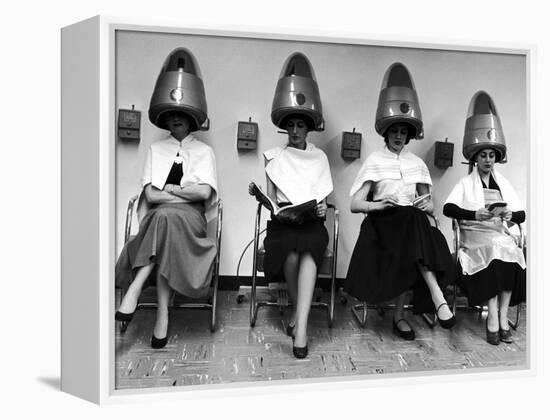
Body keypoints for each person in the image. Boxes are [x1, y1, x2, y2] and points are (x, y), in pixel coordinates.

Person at [345, 63, 456, 340]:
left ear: (409, 134)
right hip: (382, 225)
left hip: (411, 225)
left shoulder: (417, 164)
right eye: (394, 131)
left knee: (415, 219)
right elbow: (354, 205)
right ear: (386, 132)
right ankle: (434, 297)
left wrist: (424, 205)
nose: (398, 136)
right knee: (412, 225)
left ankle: (406, 312)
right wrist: (378, 205)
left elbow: (430, 207)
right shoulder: (374, 161)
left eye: (403, 132)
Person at [115, 48, 218, 349]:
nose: (176, 118)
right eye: (171, 114)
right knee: (164, 219)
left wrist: (170, 192)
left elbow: (204, 193)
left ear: (191, 117)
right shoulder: (156, 150)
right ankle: (162, 315)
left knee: (164, 216)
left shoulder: (204, 152)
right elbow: (149, 194)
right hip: (164, 219)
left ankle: (136, 288)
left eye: (182, 114)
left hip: (191, 219)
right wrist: (180, 195)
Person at [251, 52, 333, 359]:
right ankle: (301, 314)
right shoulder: (273, 156)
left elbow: (322, 198)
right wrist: (265, 200)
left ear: (308, 127)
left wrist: (322, 208)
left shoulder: (320, 157)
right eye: (291, 125)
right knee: (289, 254)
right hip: (283, 223)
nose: (296, 131)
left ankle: (301, 327)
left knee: (309, 250)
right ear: (285, 127)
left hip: (312, 222)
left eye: (301, 125)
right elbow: (273, 199)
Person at [443, 91, 526, 345]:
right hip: (474, 234)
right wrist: (473, 213)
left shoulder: (503, 183)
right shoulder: (465, 183)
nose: (488, 160)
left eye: (492, 156)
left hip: (498, 233)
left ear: (496, 158)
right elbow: (448, 208)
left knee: (510, 250)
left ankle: (502, 317)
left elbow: (522, 214)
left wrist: (511, 214)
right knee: (494, 251)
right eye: (483, 156)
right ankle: (491, 317)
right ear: (475, 158)